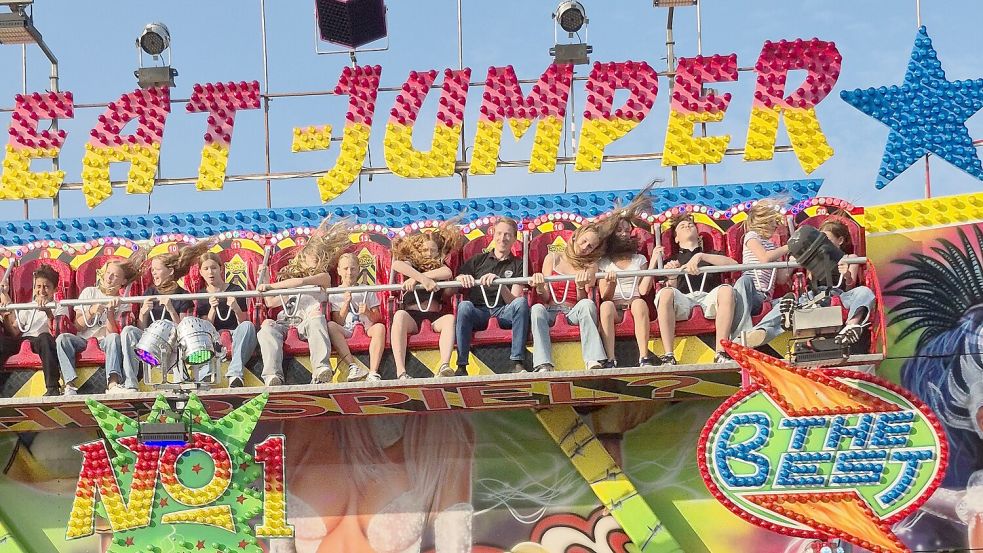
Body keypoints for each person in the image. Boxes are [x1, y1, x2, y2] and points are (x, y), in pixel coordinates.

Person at [741, 218, 875, 348]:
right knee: (785, 301)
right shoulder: (812, 258)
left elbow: (850, 286)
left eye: (826, 239)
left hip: (839, 295)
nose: (823, 243)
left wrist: (846, 275)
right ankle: (760, 331)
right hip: (814, 296)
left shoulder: (850, 258)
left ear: (840, 240)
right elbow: (794, 280)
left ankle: (852, 326)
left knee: (864, 292)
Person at [256, 219, 348, 386]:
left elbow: (300, 282)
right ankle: (272, 375)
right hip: (286, 322)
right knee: (266, 328)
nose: (317, 260)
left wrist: (270, 286)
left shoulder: (323, 278)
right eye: (314, 257)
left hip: (307, 323)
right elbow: (270, 302)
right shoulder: (289, 285)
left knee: (317, 318)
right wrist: (265, 278)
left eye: (320, 257)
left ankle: (321, 368)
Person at [120, 240, 212, 392]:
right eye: (152, 270)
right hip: (150, 341)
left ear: (170, 271)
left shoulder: (183, 295)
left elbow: (184, 329)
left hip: (172, 341)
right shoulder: (150, 293)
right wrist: (143, 313)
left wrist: (170, 309)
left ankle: (183, 379)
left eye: (157, 269)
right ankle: (131, 382)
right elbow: (142, 327)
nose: (153, 273)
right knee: (128, 331)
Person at [653, 214, 739, 365]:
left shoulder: (711, 255)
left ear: (698, 235)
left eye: (690, 225)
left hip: (709, 299)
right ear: (676, 238)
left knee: (727, 290)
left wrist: (700, 256)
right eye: (682, 226)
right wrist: (672, 277)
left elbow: (734, 264)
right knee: (665, 293)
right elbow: (671, 292)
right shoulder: (672, 260)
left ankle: (721, 352)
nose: (687, 226)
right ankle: (669, 355)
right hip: (684, 300)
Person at [56, 252, 145, 395]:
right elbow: (77, 326)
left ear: (123, 281)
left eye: (115, 276)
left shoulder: (123, 302)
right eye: (108, 273)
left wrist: (110, 312)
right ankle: (69, 384)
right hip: (83, 339)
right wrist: (91, 311)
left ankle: (113, 383)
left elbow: (113, 334)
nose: (109, 278)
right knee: (62, 339)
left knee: (114, 338)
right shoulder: (89, 292)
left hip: (105, 340)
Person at [454, 217, 530, 376]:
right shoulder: (477, 260)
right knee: (464, 306)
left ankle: (517, 361)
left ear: (514, 239)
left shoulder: (519, 264)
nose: (503, 238)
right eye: (499, 233)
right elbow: (457, 280)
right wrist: (461, 278)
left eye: (508, 234)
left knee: (522, 303)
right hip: (479, 312)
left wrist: (500, 284)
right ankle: (461, 366)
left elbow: (514, 300)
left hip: (504, 311)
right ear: (493, 235)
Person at [529, 223, 607, 372]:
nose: (585, 247)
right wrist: (539, 286)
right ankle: (543, 363)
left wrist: (580, 286)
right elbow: (545, 297)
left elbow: (582, 300)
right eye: (584, 241)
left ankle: (593, 359)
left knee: (587, 304)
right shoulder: (552, 258)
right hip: (551, 310)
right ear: (575, 237)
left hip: (573, 311)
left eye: (590, 246)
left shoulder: (590, 266)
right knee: (537, 309)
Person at [390, 220, 462, 379]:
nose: (428, 253)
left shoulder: (440, 267)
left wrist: (422, 279)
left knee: (450, 319)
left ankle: (444, 365)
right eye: (425, 250)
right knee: (399, 316)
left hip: (434, 316)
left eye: (432, 250)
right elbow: (397, 265)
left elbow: (447, 273)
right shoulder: (413, 264)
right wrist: (419, 278)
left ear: (438, 252)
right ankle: (401, 371)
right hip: (412, 316)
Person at [596, 194, 658, 367]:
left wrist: (653, 262)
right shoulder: (604, 262)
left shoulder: (639, 259)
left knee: (639, 303)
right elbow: (605, 296)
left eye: (626, 230)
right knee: (606, 307)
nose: (624, 234)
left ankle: (644, 356)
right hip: (614, 307)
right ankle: (610, 358)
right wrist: (611, 283)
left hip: (634, 303)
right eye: (619, 231)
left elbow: (644, 290)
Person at [0, 265, 68, 396]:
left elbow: (57, 332)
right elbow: (15, 331)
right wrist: (6, 316)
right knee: (2, 343)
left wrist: (48, 312)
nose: (42, 291)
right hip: (25, 339)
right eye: (38, 286)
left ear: (54, 289)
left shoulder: (59, 306)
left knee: (44, 337)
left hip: (45, 340)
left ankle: (53, 387)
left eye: (46, 287)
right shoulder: (28, 306)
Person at [194, 252, 258, 388]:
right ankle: (204, 376)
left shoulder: (235, 289)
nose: (210, 272)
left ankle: (235, 374)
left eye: (214, 268)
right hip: (214, 335)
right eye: (206, 269)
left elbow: (243, 321)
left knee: (248, 326)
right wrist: (212, 309)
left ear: (221, 269)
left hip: (235, 332)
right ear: (201, 272)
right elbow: (206, 327)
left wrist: (235, 308)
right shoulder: (201, 294)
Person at [732, 200, 791, 343]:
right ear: (763, 221)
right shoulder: (751, 236)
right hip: (750, 292)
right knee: (744, 280)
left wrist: (793, 260)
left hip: (765, 297)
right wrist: (788, 247)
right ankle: (740, 334)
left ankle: (759, 331)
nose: (776, 225)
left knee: (790, 300)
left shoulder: (773, 247)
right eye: (773, 221)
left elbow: (781, 279)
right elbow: (764, 258)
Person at [326, 252, 386, 382]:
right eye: (346, 269)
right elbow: (338, 321)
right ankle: (352, 366)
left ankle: (373, 372)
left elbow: (378, 318)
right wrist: (346, 303)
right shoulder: (334, 293)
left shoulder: (367, 289)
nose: (349, 272)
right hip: (346, 329)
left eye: (353, 269)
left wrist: (368, 312)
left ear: (359, 270)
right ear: (339, 271)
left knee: (380, 328)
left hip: (366, 328)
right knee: (330, 326)